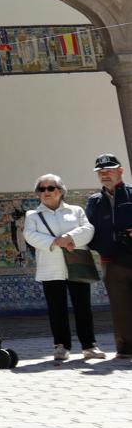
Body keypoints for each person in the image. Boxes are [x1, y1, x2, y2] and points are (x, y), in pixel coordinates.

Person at [26, 173, 103, 362]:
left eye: (50, 188)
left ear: (60, 191)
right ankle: (61, 346)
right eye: (41, 189)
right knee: (56, 308)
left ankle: (89, 345)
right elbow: (30, 235)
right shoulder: (33, 215)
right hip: (51, 269)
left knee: (83, 306)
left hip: (77, 266)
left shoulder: (75, 211)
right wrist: (55, 242)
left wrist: (70, 238)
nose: (46, 192)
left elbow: (88, 229)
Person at [86, 154, 132, 359]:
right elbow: (88, 230)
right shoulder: (94, 201)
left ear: (120, 171)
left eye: (109, 170)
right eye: (100, 172)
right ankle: (125, 347)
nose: (104, 175)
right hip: (111, 262)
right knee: (120, 306)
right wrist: (102, 247)